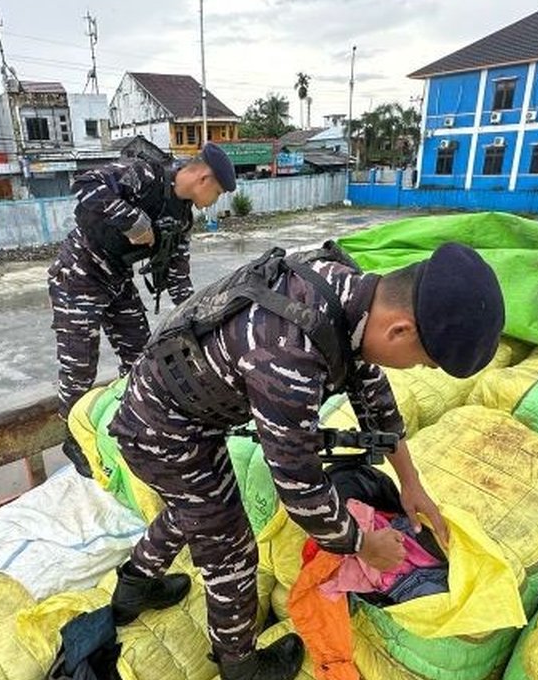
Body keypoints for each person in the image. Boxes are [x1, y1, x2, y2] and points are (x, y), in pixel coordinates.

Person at [107, 241, 505, 680]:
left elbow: (370, 388)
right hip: (162, 428)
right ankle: (240, 666)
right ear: (400, 331)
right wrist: (362, 544)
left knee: (194, 509)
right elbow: (300, 486)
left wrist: (410, 482)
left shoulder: (347, 290)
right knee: (230, 546)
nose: (416, 372)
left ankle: (133, 588)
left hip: (182, 405)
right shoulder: (288, 352)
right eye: (423, 364)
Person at [50, 144, 236, 473]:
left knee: (141, 356)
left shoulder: (182, 218)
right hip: (79, 274)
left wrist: (200, 316)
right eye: (218, 192)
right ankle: (73, 437)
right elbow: (84, 186)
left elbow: (179, 275)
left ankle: (131, 423)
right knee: (79, 367)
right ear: (203, 178)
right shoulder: (146, 175)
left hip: (117, 280)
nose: (215, 201)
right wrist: (134, 220)